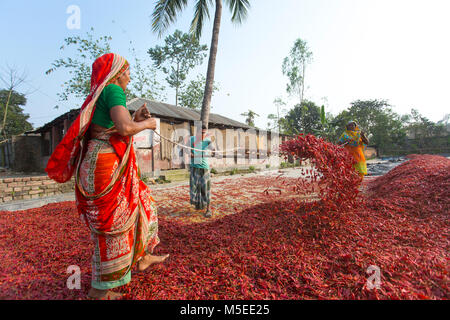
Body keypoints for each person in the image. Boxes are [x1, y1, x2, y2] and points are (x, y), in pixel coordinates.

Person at [46, 53, 168, 300]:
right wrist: (148, 124)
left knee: (143, 202)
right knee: (114, 227)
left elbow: (112, 127)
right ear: (117, 73)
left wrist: (136, 119)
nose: (129, 78)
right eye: (128, 72)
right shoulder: (113, 90)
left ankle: (142, 257)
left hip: (98, 162)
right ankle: (98, 292)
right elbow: (123, 129)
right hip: (105, 166)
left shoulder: (100, 94)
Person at [189, 126, 214, 218]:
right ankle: (199, 205)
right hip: (194, 167)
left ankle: (208, 209)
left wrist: (213, 150)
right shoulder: (192, 139)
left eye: (204, 133)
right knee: (194, 188)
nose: (203, 135)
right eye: (201, 133)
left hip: (204, 167)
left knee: (206, 188)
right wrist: (190, 154)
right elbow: (186, 150)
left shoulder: (208, 141)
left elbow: (213, 151)